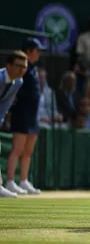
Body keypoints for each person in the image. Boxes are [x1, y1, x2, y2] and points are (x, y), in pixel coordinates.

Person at [6, 39, 44, 195]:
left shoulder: (33, 69)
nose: (39, 54)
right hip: (21, 114)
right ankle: (9, 181)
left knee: (28, 151)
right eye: (37, 50)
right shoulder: (20, 70)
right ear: (29, 51)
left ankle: (23, 180)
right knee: (17, 149)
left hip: (33, 116)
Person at [0, 51, 28, 197]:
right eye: (19, 66)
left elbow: (5, 104)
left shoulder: (18, 81)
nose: (22, 70)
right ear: (9, 65)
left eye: (24, 67)